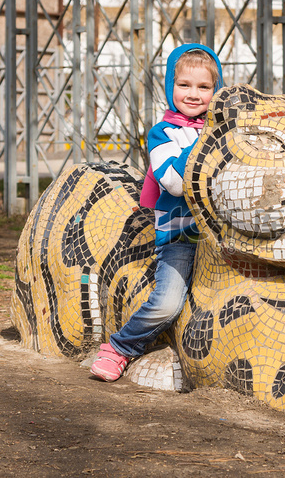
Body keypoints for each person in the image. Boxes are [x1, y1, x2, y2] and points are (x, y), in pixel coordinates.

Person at [90, 43, 224, 382]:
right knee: (168, 304)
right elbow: (174, 182)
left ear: (216, 91)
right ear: (170, 86)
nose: (193, 94)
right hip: (181, 235)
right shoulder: (163, 134)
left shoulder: (224, 132)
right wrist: (204, 139)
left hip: (221, 237)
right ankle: (120, 347)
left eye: (204, 87)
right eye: (184, 85)